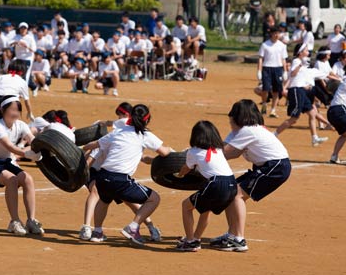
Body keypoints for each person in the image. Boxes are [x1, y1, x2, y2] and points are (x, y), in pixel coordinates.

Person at [83, 104, 172, 245]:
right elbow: (164, 152)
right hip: (121, 180)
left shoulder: (117, 132)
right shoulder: (145, 135)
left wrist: (80, 149)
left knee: (104, 201)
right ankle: (133, 227)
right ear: (146, 120)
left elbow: (93, 144)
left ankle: (97, 232)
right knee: (154, 198)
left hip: (103, 177)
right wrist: (172, 151)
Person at [210, 99, 291, 252]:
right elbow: (225, 151)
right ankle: (232, 235)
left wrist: (198, 157)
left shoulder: (248, 130)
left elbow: (227, 153)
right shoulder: (242, 131)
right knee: (230, 191)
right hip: (271, 166)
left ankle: (239, 239)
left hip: (275, 167)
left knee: (236, 195)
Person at [0, 95, 44, 236]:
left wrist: (41, 151)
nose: (15, 113)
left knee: (28, 179)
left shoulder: (21, 125)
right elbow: (10, 146)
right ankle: (14, 221)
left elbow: (34, 141)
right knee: (12, 180)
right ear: (2, 110)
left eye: (17, 110)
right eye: (12, 109)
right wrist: (27, 155)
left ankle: (31, 221)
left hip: (6, 161)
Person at [175, 121, 237, 252]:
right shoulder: (218, 150)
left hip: (216, 184)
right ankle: (196, 238)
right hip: (232, 184)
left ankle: (190, 241)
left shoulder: (193, 152)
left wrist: (179, 175)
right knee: (205, 209)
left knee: (186, 206)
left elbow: (186, 168)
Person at [274, 43, 329, 147]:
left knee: (312, 113)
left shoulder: (303, 63)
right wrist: (300, 64)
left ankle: (314, 138)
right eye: (306, 50)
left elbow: (301, 77)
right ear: (300, 52)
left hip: (301, 91)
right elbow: (293, 74)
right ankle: (274, 134)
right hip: (296, 91)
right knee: (294, 119)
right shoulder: (296, 61)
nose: (308, 52)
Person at [257, 26, 288, 117]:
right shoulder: (265, 45)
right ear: (271, 34)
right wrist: (259, 71)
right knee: (265, 89)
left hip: (278, 68)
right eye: (275, 33)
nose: (276, 35)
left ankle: (273, 110)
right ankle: (264, 104)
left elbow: (284, 59)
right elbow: (260, 58)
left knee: (276, 91)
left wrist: (285, 71)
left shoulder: (282, 46)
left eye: (278, 33)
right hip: (267, 68)